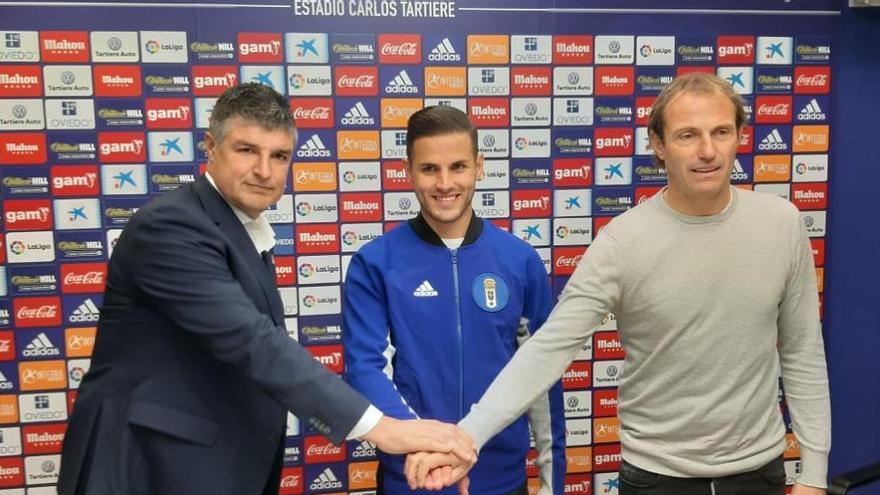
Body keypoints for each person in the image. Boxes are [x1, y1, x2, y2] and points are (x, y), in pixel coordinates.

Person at [408, 72, 831, 495]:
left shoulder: (782, 224)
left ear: (740, 135)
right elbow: (548, 348)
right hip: (656, 479)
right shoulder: (622, 242)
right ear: (659, 145)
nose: (707, 151)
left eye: (720, 132)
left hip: (760, 474)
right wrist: (467, 436)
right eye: (687, 135)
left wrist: (813, 473)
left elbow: (802, 352)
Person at [57, 83, 476, 495]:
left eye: (279, 156)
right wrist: (383, 429)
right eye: (247, 150)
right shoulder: (171, 227)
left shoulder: (240, 229)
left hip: (214, 466)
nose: (264, 171)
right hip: (147, 470)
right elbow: (251, 342)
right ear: (210, 146)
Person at [342, 105, 566, 494]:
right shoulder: (375, 264)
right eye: (429, 169)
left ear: (479, 166)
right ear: (408, 170)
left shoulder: (519, 260)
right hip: (412, 480)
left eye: (458, 166)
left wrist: (552, 482)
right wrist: (429, 446)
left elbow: (543, 376)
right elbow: (365, 370)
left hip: (502, 482)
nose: (445, 183)